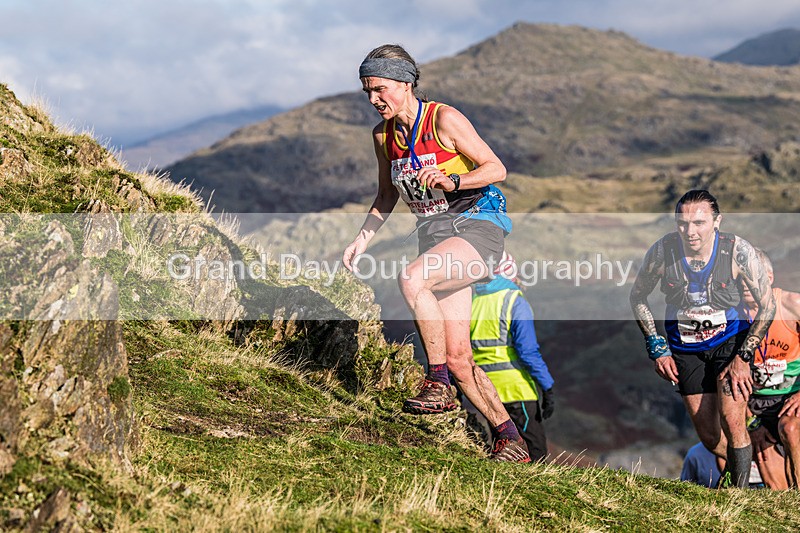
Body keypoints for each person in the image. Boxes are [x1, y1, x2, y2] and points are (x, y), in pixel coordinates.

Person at [342, 44, 528, 462]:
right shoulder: (382, 136)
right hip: (436, 235)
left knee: (412, 278)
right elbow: (386, 194)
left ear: (406, 84)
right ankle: (509, 438)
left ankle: (436, 382)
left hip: (477, 224)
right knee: (460, 357)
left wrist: (452, 180)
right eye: (367, 91)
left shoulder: (443, 118)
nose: (373, 99)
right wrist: (362, 239)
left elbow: (496, 168)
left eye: (380, 89)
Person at [629, 189, 775, 487]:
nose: (690, 231)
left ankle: (738, 495)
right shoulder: (662, 252)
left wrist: (743, 357)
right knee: (709, 437)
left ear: (716, 221)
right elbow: (638, 297)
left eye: (699, 222)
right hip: (685, 349)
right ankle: (748, 470)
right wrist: (656, 347)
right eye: (682, 223)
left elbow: (768, 305)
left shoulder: (737, 251)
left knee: (733, 420)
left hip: (730, 341)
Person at [470, 252, 555, 461]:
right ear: (511, 273)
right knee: (536, 449)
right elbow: (527, 351)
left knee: (501, 448)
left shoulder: (471, 300)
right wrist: (547, 386)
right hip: (517, 388)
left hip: (484, 389)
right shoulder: (514, 300)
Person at [744, 249, 800, 489]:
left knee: (789, 427)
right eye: (740, 276)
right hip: (756, 407)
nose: (746, 283)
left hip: (792, 399)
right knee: (777, 490)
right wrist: (751, 425)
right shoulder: (731, 316)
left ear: (769, 277)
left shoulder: (791, 305)